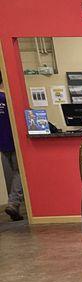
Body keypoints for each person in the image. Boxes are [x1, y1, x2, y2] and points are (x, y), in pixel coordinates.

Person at [0, 74, 24, 221]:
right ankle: (14, 203)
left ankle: (14, 203)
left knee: (14, 173)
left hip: (2, 144)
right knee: (19, 173)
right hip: (14, 141)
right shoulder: (8, 99)